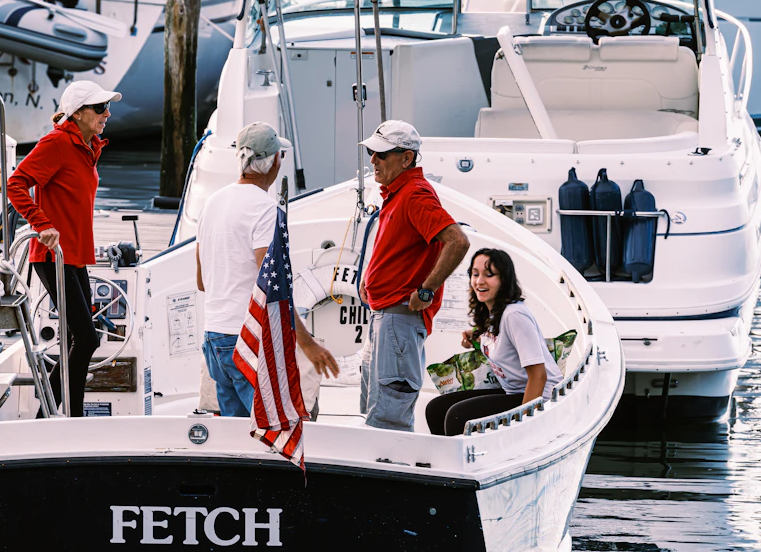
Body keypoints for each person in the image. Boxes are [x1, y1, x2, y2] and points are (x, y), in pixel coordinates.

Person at [195, 123, 339, 415]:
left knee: (236, 437)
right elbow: (273, 288)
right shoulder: (265, 209)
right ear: (275, 160)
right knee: (270, 431)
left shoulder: (212, 203)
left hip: (214, 337)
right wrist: (308, 344)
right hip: (249, 341)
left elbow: (202, 281)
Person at [6, 80, 115, 415]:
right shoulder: (57, 143)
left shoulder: (85, 146)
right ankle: (61, 415)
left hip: (75, 257)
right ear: (78, 113)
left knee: (78, 339)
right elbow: (16, 184)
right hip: (54, 256)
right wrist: (42, 224)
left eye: (106, 108)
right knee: (86, 339)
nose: (106, 114)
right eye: (99, 109)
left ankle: (55, 415)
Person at [358, 119, 470, 433]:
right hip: (386, 320)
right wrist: (371, 279)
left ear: (406, 158)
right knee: (376, 411)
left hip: (398, 321)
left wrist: (426, 291)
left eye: (381, 154)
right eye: (372, 152)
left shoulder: (415, 194)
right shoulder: (400, 194)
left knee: (387, 418)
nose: (373, 161)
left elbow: (457, 241)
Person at [426, 247, 555, 436]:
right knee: (436, 408)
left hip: (540, 398)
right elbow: (503, 343)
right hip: (512, 392)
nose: (479, 281)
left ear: (503, 279)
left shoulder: (515, 315)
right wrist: (477, 336)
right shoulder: (494, 311)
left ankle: (463, 463)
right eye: (475, 274)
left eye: (489, 274)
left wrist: (525, 426)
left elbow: (539, 376)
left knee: (458, 416)